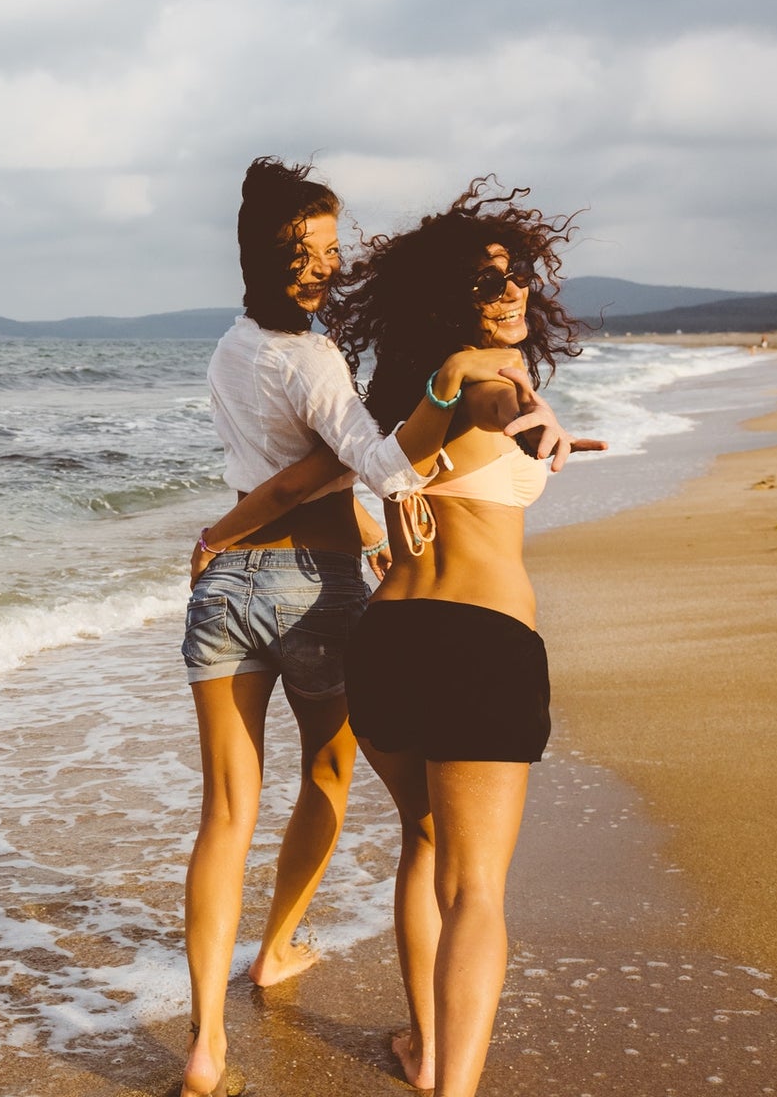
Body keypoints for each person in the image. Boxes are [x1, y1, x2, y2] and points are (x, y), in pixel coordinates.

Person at [176, 160, 587, 1097]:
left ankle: (285, 1040)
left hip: (344, 629)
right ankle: (422, 1059)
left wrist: (229, 538)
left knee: (369, 833)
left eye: (514, 273)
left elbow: (373, 458)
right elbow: (425, 430)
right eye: (491, 282)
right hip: (404, 615)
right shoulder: (430, 374)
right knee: (455, 870)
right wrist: (519, 404)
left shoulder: (286, 365)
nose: (513, 291)